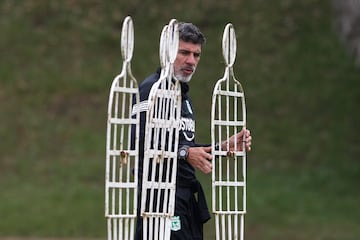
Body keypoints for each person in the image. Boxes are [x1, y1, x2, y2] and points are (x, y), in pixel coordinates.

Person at [132, 22, 252, 240]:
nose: (191, 61)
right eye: (184, 52)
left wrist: (221, 148)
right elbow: (139, 143)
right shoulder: (151, 90)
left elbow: (183, 146)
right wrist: (185, 153)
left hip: (186, 201)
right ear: (167, 52)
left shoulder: (183, 97)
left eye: (196, 55)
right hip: (158, 200)